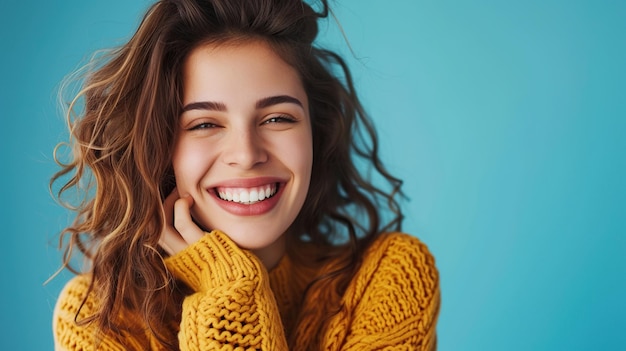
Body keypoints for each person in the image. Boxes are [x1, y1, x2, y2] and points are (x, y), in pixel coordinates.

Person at [50, 0, 440, 350]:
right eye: (204, 124)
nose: (247, 154)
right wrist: (227, 286)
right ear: (158, 146)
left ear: (315, 135)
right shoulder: (97, 320)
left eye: (277, 118)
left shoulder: (389, 277)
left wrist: (227, 288)